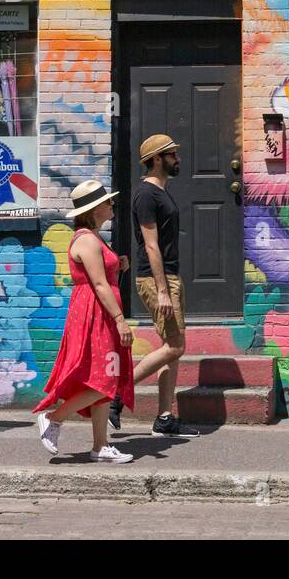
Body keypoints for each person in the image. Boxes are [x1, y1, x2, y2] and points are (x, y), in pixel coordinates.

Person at [33, 180, 136, 463]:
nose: (111, 205)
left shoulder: (93, 237)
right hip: (96, 314)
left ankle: (100, 446)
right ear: (94, 209)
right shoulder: (88, 240)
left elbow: (103, 272)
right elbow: (100, 284)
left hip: (98, 312)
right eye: (107, 202)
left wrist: (119, 263)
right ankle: (53, 418)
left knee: (105, 378)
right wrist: (120, 320)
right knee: (104, 379)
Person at [109, 134, 199, 436]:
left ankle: (163, 418)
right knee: (176, 346)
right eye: (172, 154)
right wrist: (162, 289)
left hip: (168, 277)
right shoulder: (146, 195)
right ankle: (117, 395)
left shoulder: (161, 191)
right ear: (158, 159)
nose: (178, 159)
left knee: (170, 348)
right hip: (156, 278)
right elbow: (150, 245)